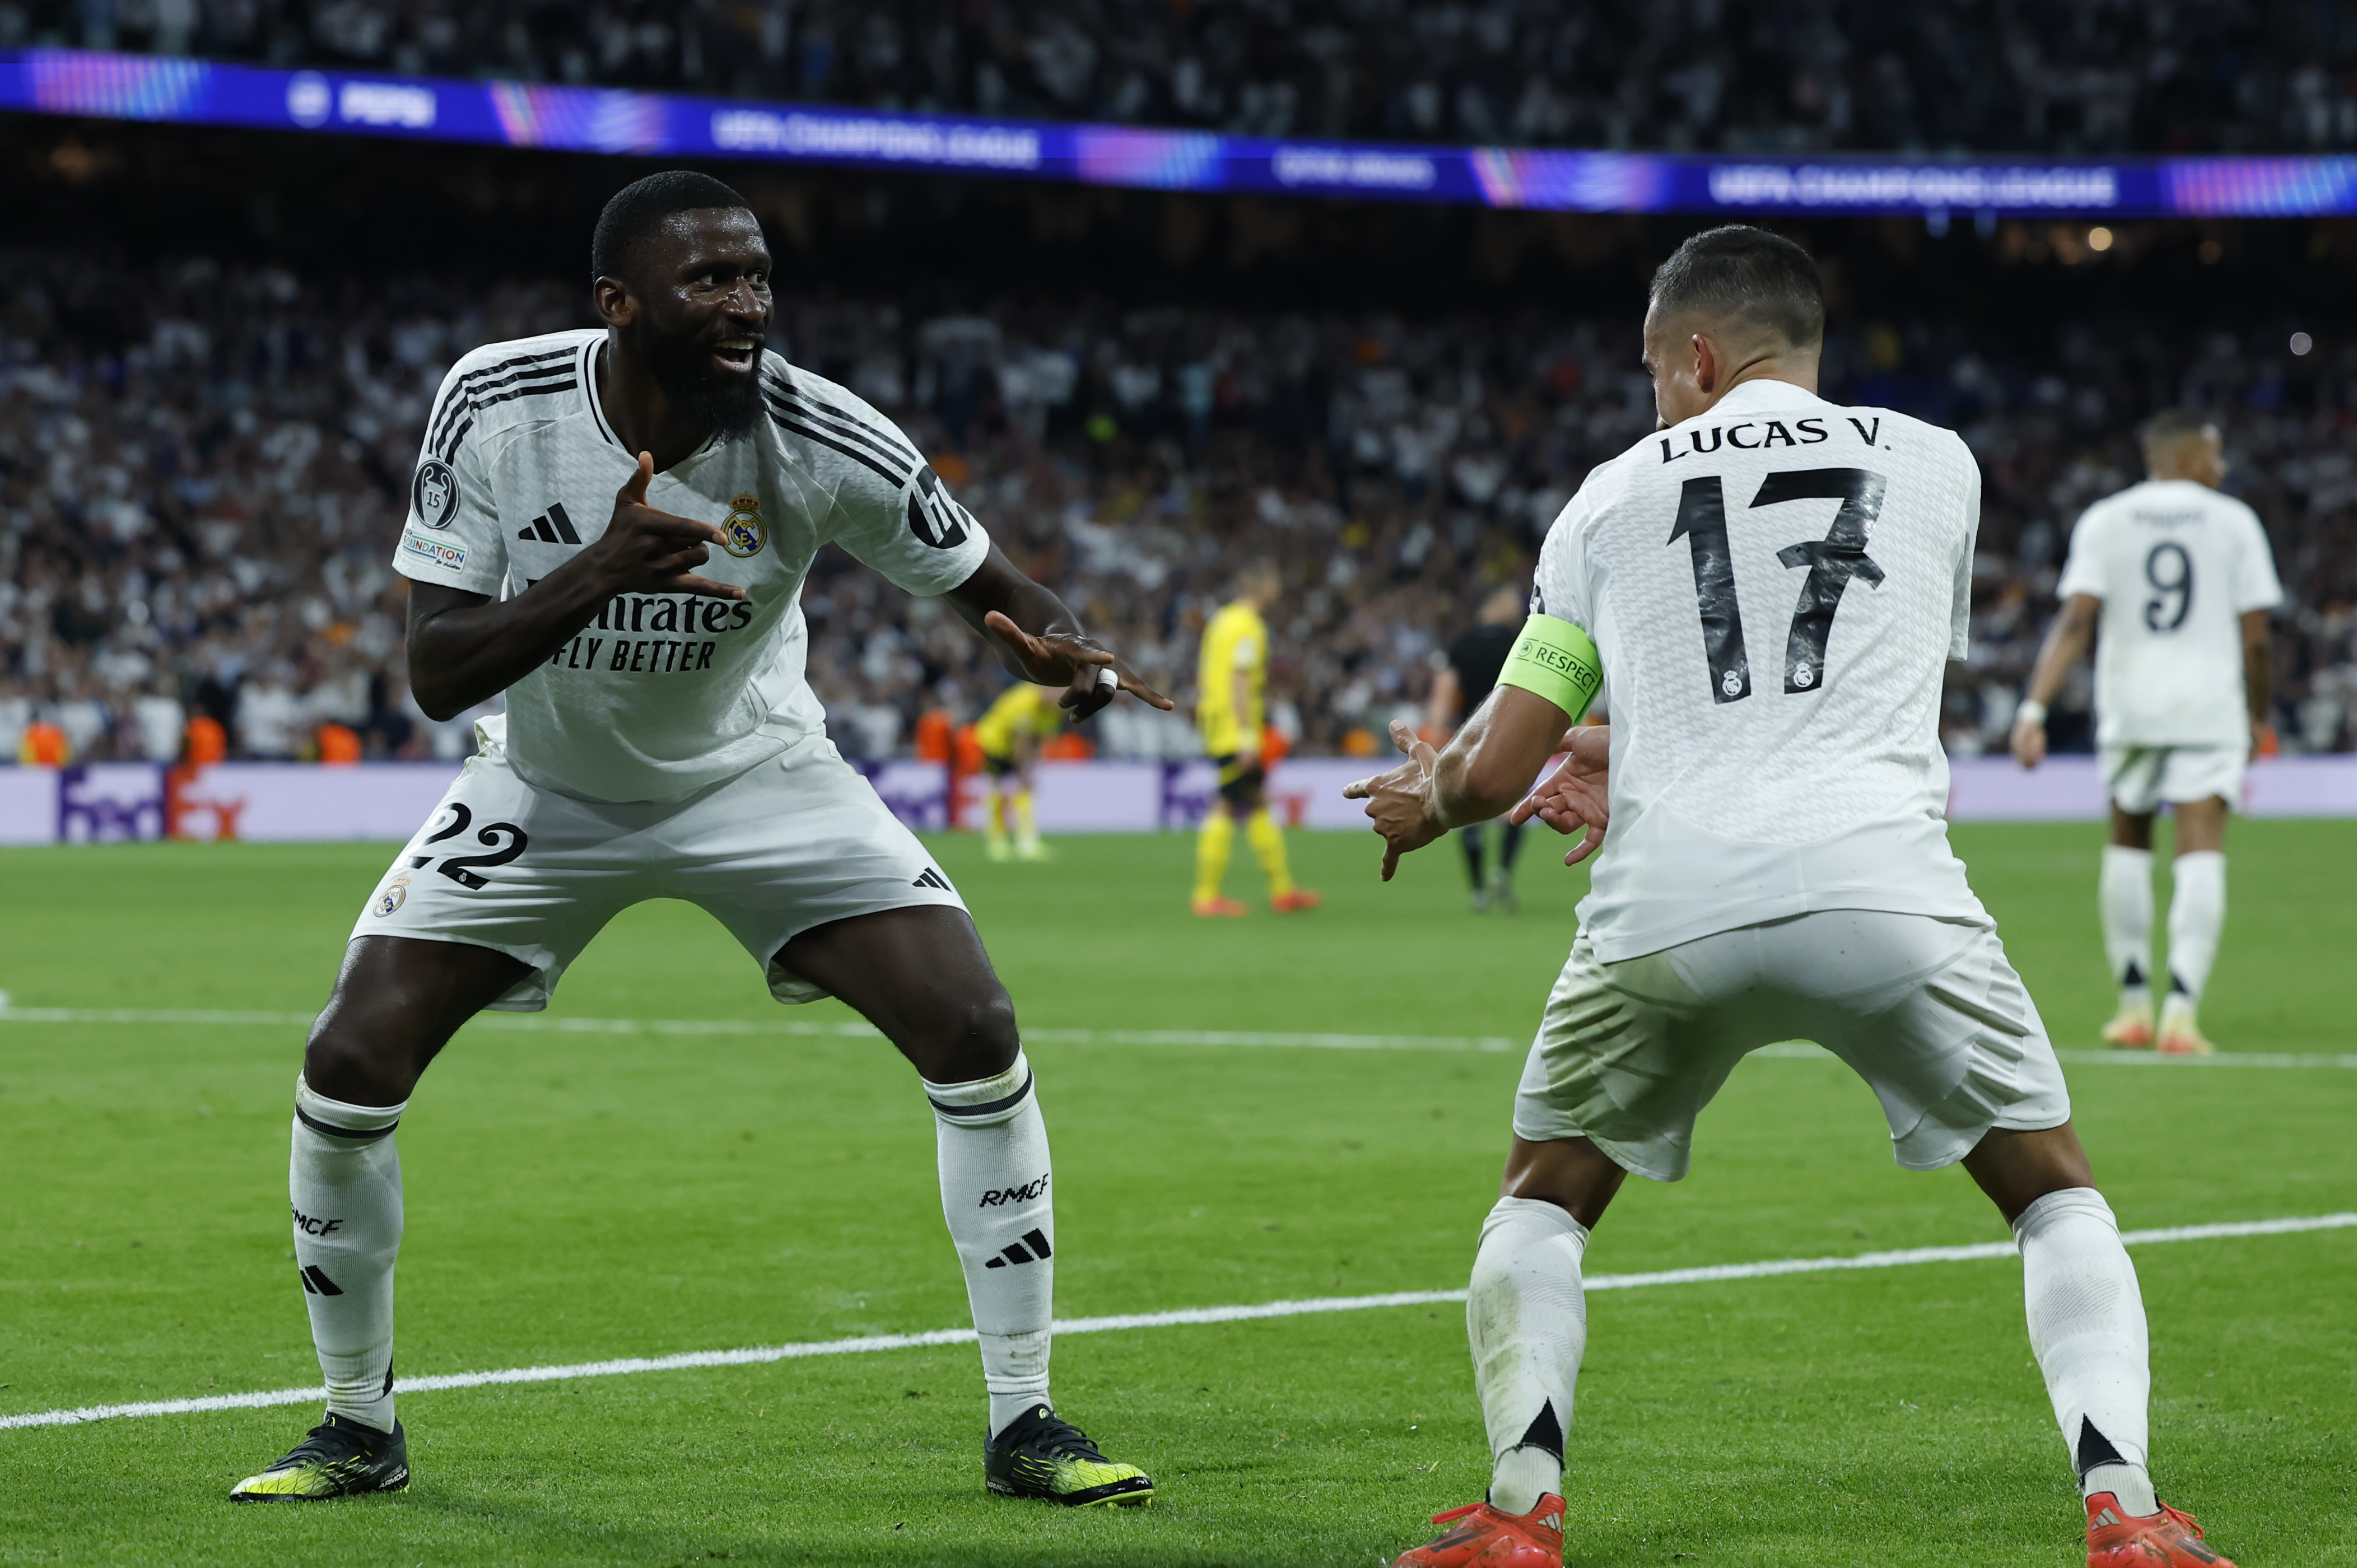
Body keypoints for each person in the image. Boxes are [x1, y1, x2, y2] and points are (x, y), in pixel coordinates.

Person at [230, 171, 1168, 1510]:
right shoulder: (496, 404)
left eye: (759, 276)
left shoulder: (825, 434)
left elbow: (1009, 592)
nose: (749, 305)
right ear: (616, 303)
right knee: (349, 1059)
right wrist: (598, 569)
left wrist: (1060, 652)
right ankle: (355, 1425)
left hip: (758, 776)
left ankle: (1026, 1417)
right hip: (548, 786)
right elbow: (438, 670)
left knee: (974, 1026)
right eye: (712, 280)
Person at [1348, 226, 2233, 1568]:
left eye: (1654, 369)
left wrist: (1432, 801)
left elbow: (1499, 764)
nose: (1653, 395)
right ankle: (2127, 1510)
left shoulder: (1604, 497)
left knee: (1541, 1197)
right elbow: (1827, 694)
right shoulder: (1941, 463)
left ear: (1697, 356)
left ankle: (1522, 1519)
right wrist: (1631, 746)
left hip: (1668, 908)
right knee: (2055, 1196)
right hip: (1887, 893)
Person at [2009, 413, 2280, 1056]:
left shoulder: (2106, 519)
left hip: (2130, 703)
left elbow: (2075, 621)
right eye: (2213, 455)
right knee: (2199, 847)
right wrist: (2259, 714)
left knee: (2127, 838)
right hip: (2208, 707)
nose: (2220, 468)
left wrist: (2032, 710)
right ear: (2185, 457)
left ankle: (2131, 1006)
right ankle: (2180, 1013)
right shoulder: (2233, 521)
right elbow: (2258, 639)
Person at [1190, 559, 1319, 916]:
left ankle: (1282, 889)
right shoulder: (1248, 626)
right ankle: (1206, 895)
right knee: (1227, 803)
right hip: (1237, 731)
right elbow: (1240, 680)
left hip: (1218, 724)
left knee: (1258, 801)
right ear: (1263, 585)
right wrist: (1248, 736)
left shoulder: (1221, 621)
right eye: (1275, 581)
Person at [1425, 585, 1536, 912]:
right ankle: (1502, 871)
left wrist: (1433, 734)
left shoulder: (1461, 644)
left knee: (1469, 810)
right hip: (1510, 734)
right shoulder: (1520, 642)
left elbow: (1443, 694)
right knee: (1512, 808)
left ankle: (1477, 890)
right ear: (1497, 603)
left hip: (1469, 735)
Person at [972, 680, 1061, 861]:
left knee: (1024, 793)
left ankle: (1027, 842)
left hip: (1018, 745)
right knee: (998, 791)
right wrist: (1023, 770)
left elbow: (1039, 737)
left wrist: (1031, 767)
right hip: (995, 743)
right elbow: (1018, 739)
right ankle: (996, 841)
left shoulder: (1057, 707)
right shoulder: (1025, 700)